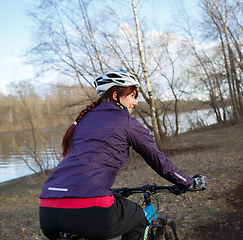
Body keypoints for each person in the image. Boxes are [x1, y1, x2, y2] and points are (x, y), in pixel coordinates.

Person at [39, 69, 207, 240]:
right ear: (115, 95)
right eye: (132, 96)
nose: (135, 103)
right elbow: (159, 161)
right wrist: (189, 183)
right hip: (91, 207)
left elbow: (83, 164)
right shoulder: (126, 122)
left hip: (48, 209)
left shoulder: (83, 121)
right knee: (139, 219)